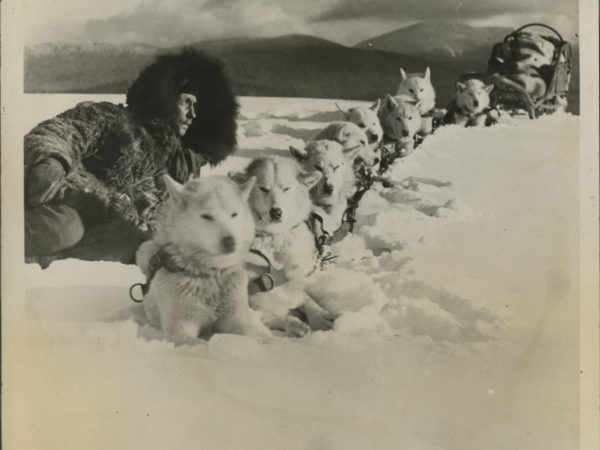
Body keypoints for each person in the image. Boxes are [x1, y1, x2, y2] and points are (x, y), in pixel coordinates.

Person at [24, 48, 239, 266]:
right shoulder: (115, 120)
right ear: (164, 97)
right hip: (72, 207)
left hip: (123, 245)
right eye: (186, 103)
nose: (192, 114)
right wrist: (51, 161)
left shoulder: (185, 163)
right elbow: (63, 131)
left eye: (197, 107)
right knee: (63, 228)